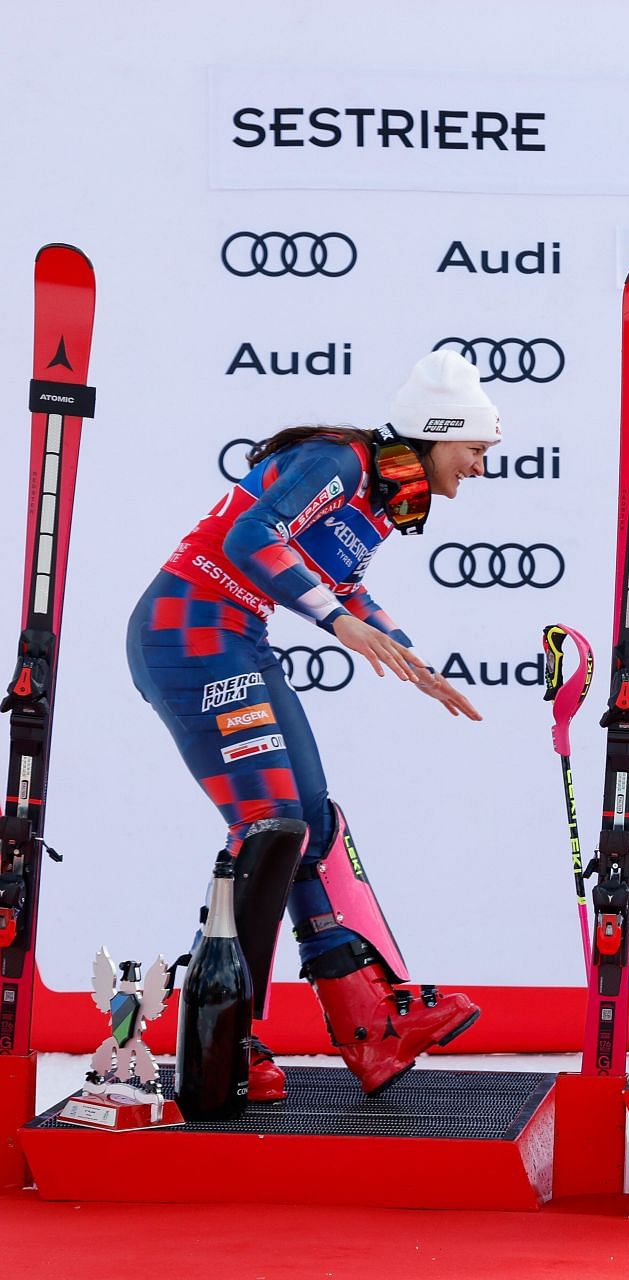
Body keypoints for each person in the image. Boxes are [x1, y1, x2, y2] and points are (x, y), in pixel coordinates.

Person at [127, 350, 497, 1099]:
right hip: (187, 632)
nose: (480, 469)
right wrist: (335, 622)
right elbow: (248, 541)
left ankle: (372, 1026)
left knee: (310, 823)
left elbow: (345, 585)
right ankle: (220, 1045)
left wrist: (412, 658)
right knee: (270, 821)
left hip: (235, 636)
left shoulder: (383, 491)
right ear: (437, 432)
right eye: (476, 451)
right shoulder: (341, 462)